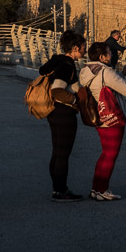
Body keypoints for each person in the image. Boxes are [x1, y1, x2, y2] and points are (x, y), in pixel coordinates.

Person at [79, 41, 126, 201]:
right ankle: (102, 189)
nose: (111, 55)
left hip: (100, 116)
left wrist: (123, 73)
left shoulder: (87, 70)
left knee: (105, 154)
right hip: (112, 119)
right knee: (110, 154)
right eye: (108, 53)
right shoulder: (105, 72)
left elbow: (108, 84)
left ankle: (96, 188)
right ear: (101, 57)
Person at [39, 30, 86, 202]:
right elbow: (57, 90)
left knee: (57, 152)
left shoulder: (56, 61)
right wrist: (74, 100)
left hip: (54, 113)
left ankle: (57, 189)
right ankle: (61, 191)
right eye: (83, 48)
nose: (84, 51)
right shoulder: (67, 65)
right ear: (74, 48)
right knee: (63, 154)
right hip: (64, 113)